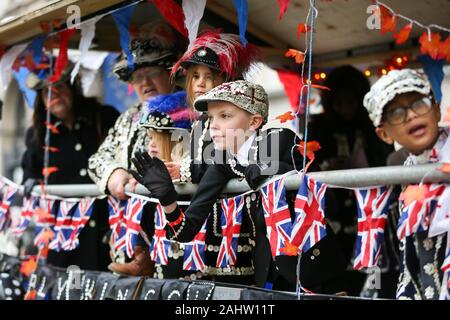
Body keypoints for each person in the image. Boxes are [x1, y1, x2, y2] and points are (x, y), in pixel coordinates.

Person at [130, 80, 347, 290]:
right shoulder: (221, 162)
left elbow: (329, 201)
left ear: (254, 122)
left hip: (317, 268)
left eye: (225, 116)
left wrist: (261, 168)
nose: (213, 125)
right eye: (211, 117)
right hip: (270, 273)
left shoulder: (279, 138)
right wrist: (167, 197)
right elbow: (186, 232)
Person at [88, 22, 184, 275]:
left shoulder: (190, 112)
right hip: (129, 240)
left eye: (152, 73)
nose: (145, 83)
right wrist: (114, 173)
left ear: (170, 74)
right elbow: (98, 158)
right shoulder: (128, 117)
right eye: (138, 78)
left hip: (176, 237)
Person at [21, 62, 119, 271]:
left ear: (73, 88)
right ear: (41, 100)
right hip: (66, 238)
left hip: (107, 230)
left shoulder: (103, 117)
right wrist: (31, 184)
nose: (54, 94)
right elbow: (30, 173)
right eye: (47, 91)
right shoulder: (38, 135)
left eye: (60, 87)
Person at [308, 65, 394, 295]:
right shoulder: (318, 128)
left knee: (370, 270)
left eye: (350, 102)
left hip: (369, 208)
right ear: (331, 103)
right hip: (332, 210)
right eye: (340, 102)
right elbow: (308, 164)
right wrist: (327, 166)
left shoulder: (372, 127)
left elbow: (386, 160)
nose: (345, 108)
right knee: (335, 273)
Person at [363, 68, 447, 299]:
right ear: (384, 135)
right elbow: (412, 256)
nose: (411, 115)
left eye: (419, 103)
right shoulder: (404, 174)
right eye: (396, 113)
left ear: (437, 109)